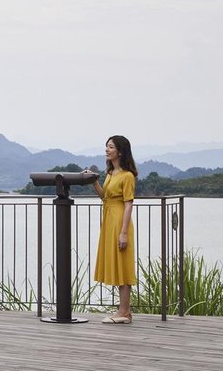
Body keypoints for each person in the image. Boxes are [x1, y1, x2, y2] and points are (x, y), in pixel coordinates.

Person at [87, 135, 137, 324]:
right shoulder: (111, 173)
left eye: (111, 147)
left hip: (119, 221)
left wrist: (123, 232)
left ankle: (124, 313)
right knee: (116, 264)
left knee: (123, 265)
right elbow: (105, 197)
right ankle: (123, 310)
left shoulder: (127, 176)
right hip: (109, 220)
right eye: (106, 146)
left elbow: (128, 204)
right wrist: (94, 181)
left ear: (120, 152)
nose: (107, 150)